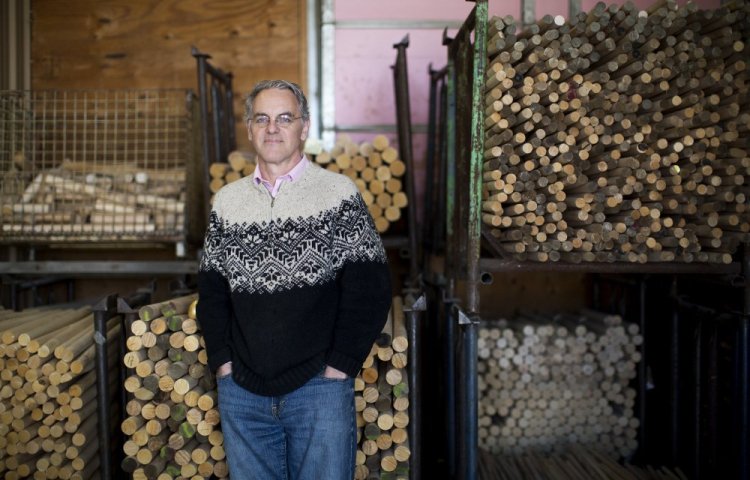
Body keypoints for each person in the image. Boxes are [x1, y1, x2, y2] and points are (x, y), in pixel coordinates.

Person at [197, 79, 392, 480]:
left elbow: (371, 288)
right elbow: (212, 291)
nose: (273, 128)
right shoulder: (227, 202)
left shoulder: (337, 194)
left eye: (285, 118)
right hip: (243, 394)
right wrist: (223, 365)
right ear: (249, 128)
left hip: (318, 389)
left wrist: (340, 365)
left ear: (304, 128)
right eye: (262, 119)